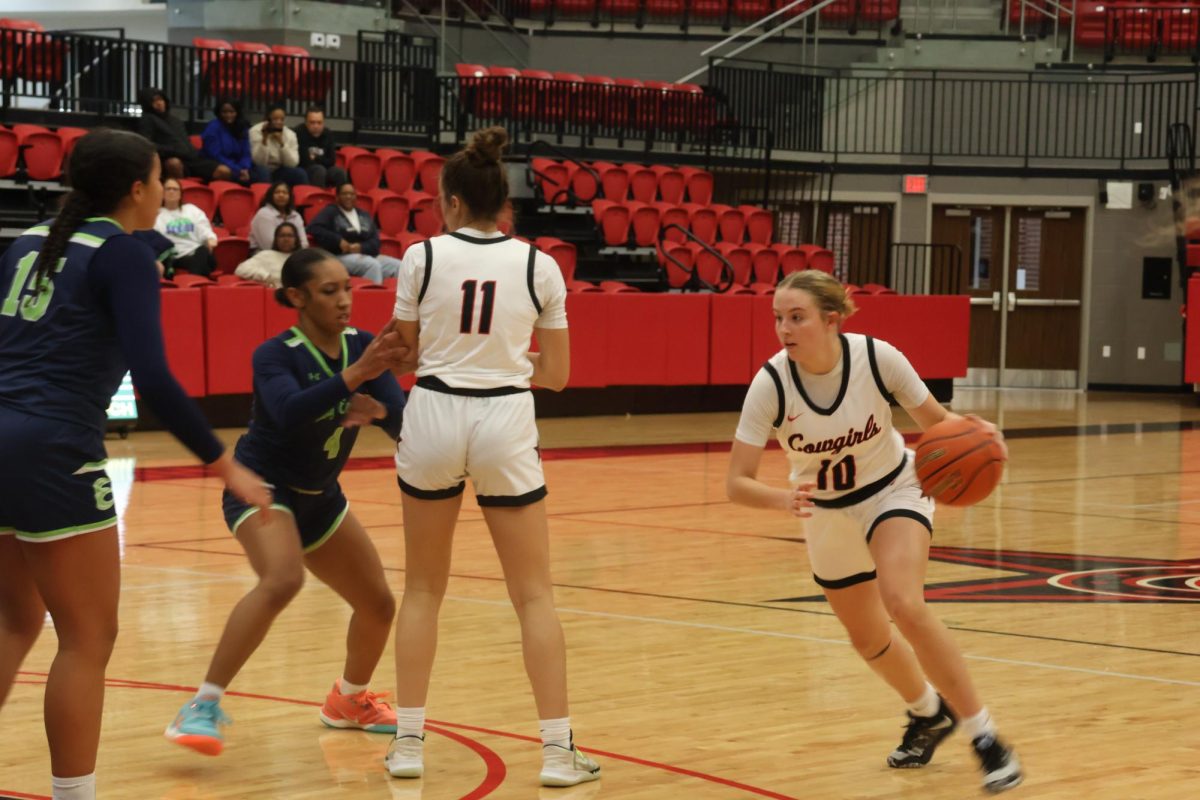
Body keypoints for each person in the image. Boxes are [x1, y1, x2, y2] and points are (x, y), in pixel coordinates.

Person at [0, 129, 270, 800]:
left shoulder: (27, 242)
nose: (161, 192)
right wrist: (221, 460)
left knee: (13, 620)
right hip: (52, 447)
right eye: (158, 179)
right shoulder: (121, 255)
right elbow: (153, 375)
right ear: (136, 190)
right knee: (88, 636)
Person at [724, 269, 1023, 794]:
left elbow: (937, 423)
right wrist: (781, 498)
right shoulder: (770, 383)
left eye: (797, 317)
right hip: (826, 510)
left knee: (903, 602)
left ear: (830, 320)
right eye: (778, 319)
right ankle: (928, 712)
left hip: (894, 489)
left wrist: (978, 434)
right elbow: (736, 483)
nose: (784, 329)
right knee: (868, 639)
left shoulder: (877, 358)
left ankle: (986, 736)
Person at [385, 126, 600, 788]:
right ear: (501, 203)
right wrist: (508, 359)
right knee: (533, 596)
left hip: (434, 413)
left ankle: (409, 745)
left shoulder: (419, 257)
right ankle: (559, 753)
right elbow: (558, 374)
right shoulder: (541, 264)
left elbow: (406, 354)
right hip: (505, 415)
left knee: (422, 588)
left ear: (450, 201)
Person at [165, 247, 409, 756]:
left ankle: (348, 700)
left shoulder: (364, 348)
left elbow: (403, 423)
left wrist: (382, 408)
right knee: (281, 578)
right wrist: (354, 378)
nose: (345, 300)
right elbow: (287, 412)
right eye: (329, 291)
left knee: (379, 604)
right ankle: (201, 705)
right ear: (296, 297)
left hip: (321, 497)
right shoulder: (275, 354)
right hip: (261, 487)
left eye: (347, 288)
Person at [308, 183, 401, 285]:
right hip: (339, 256)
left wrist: (361, 247)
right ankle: (370, 298)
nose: (348, 197)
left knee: (398, 265)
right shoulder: (330, 212)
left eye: (352, 194)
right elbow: (314, 228)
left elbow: (375, 241)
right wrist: (338, 241)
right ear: (337, 197)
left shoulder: (364, 215)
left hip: (364, 253)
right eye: (345, 194)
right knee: (371, 265)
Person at [136, 87, 227, 182]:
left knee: (223, 171)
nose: (159, 103)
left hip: (191, 158)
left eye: (160, 99)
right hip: (170, 158)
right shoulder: (147, 119)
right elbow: (147, 145)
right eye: (154, 101)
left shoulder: (176, 120)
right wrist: (172, 149)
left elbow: (185, 141)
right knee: (174, 164)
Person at [155, 177, 218, 277]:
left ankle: (193, 280)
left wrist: (210, 239)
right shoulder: (156, 215)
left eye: (175, 189)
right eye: (168, 189)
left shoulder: (192, 210)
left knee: (202, 251)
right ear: (162, 193)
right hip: (175, 257)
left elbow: (205, 230)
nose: (171, 192)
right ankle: (197, 280)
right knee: (203, 266)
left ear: (180, 194)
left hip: (196, 252)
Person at [201, 98, 269, 186]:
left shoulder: (242, 127)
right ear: (219, 113)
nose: (228, 115)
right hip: (219, 164)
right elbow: (216, 155)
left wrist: (244, 167)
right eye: (224, 112)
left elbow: (246, 153)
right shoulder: (212, 128)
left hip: (240, 166)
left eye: (232, 112)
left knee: (263, 171)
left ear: (237, 112)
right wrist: (238, 170)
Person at [249, 104, 308, 188]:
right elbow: (258, 162)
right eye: (275, 119)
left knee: (300, 173)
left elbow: (293, 163)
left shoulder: (290, 134)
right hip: (258, 169)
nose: (279, 122)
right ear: (268, 119)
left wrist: (282, 143)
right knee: (263, 171)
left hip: (279, 170)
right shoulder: (255, 131)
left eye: (281, 119)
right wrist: (264, 140)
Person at [294, 106, 348, 189]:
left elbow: (331, 161)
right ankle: (318, 199)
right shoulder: (298, 133)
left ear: (323, 122)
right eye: (312, 122)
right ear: (306, 123)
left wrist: (316, 158)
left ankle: (340, 199)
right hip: (304, 170)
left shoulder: (328, 134)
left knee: (339, 172)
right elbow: (304, 161)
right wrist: (321, 159)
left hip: (325, 168)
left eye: (319, 123)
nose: (316, 126)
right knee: (319, 170)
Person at [235, 222, 301, 287]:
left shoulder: (302, 258)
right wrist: (266, 276)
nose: (286, 239)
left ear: (296, 239)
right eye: (282, 236)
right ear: (276, 239)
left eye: (290, 236)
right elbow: (241, 269)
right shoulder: (266, 255)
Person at [249, 181, 308, 253]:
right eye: (277, 192)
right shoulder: (264, 214)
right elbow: (269, 245)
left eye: (285, 193)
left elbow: (304, 243)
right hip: (264, 254)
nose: (281, 195)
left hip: (292, 254)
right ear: (271, 196)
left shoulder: (296, 215)